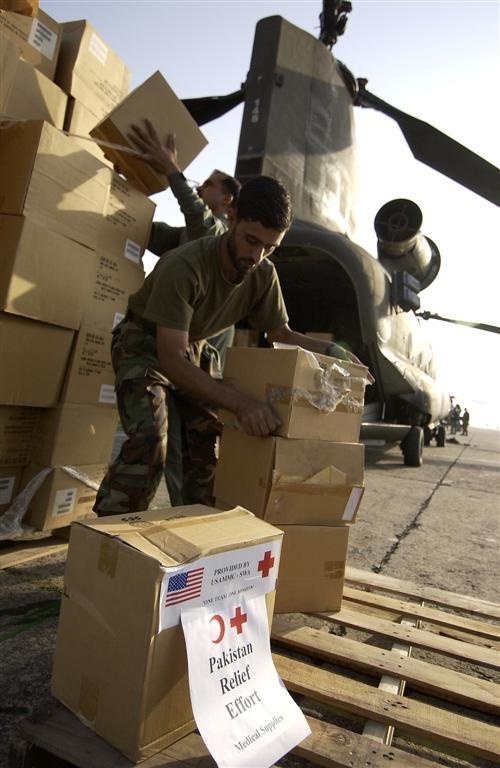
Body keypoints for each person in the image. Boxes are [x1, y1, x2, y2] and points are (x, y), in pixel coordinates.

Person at [93, 174, 359, 517]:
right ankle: (109, 537)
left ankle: (194, 531)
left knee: (206, 449)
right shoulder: (185, 266)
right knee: (150, 442)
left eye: (270, 247)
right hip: (144, 343)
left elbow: (282, 335)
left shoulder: (262, 274)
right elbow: (170, 359)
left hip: (191, 348)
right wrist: (241, 404)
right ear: (231, 219)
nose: (257, 255)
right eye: (251, 240)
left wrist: (336, 354)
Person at [127, 122, 241, 505]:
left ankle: (191, 525)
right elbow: (144, 229)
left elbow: (199, 219)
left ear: (227, 201)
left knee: (195, 454)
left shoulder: (222, 237)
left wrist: (171, 169)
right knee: (161, 446)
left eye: (209, 184)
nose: (200, 186)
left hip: (197, 361)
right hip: (171, 349)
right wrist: (123, 192)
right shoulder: (189, 240)